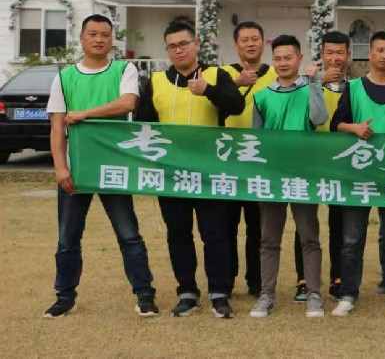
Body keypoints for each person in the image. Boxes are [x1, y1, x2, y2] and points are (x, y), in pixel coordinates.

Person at [43, 14, 158, 318]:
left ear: (112, 40)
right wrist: (61, 168)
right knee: (68, 238)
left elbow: (127, 103)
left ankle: (145, 294)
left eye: (105, 35)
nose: (99, 39)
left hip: (113, 168)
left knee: (129, 234)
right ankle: (64, 297)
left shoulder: (123, 69)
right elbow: (57, 127)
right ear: (81, 38)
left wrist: (84, 114)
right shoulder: (65, 77)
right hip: (76, 169)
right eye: (92, 34)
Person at [135, 19, 245, 318]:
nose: (179, 50)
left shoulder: (215, 75)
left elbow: (236, 105)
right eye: (172, 46)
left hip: (209, 171)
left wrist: (208, 90)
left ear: (196, 44)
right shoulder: (156, 81)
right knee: (178, 233)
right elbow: (143, 123)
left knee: (215, 234)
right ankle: (187, 292)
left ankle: (219, 292)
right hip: (172, 174)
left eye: (184, 44)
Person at [331, 30, 385, 319]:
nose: (384, 55)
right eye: (379, 50)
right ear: (369, 54)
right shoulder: (353, 88)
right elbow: (335, 124)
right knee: (351, 240)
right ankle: (348, 294)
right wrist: (353, 128)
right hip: (358, 175)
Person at [248, 35, 329, 319]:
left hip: (303, 175)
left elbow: (319, 119)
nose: (283, 63)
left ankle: (314, 294)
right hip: (272, 177)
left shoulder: (310, 89)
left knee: (309, 238)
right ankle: (266, 295)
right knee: (269, 240)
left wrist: (315, 83)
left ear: (299, 58)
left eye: (288, 57)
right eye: (278, 58)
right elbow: (256, 140)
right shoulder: (261, 96)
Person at [292, 30, 351, 302]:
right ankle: (304, 280)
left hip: (342, 163)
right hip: (309, 161)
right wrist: (314, 82)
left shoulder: (355, 87)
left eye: (340, 53)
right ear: (322, 54)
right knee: (305, 224)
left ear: (348, 55)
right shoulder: (306, 83)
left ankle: (339, 278)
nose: (335, 58)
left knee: (341, 223)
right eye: (330, 52)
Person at [221, 21, 276, 299]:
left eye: (255, 38)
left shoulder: (276, 74)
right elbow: (211, 99)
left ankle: (256, 281)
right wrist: (235, 84)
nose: (251, 44)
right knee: (226, 226)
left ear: (263, 42)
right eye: (245, 40)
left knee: (258, 228)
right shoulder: (223, 74)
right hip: (228, 161)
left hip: (261, 162)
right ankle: (226, 280)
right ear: (236, 44)